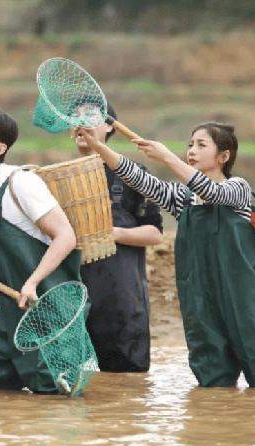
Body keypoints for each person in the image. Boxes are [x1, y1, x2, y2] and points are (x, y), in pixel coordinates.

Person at [76, 122, 255, 388]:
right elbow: (141, 180)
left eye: (201, 145)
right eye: (190, 145)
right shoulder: (184, 198)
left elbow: (212, 192)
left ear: (223, 157)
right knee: (211, 370)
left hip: (248, 295)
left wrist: (167, 157)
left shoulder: (238, 189)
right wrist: (99, 147)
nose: (192, 151)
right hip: (205, 295)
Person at [0, 104, 81, 393]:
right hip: (8, 313)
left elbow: (66, 237)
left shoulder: (20, 183)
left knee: (51, 391)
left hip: (47, 310)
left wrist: (33, 282)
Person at [70, 102, 163, 372]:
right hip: (75, 293)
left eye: (90, 116)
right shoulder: (60, 176)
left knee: (126, 382)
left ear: (109, 126)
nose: (81, 122)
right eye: (75, 117)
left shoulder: (133, 175)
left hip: (120, 297)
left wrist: (113, 233)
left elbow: (155, 233)